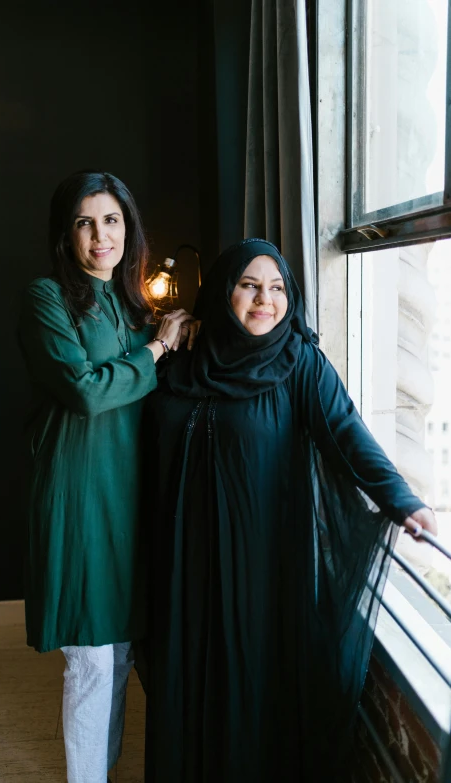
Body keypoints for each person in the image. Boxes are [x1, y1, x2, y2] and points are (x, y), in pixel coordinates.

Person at [143, 238, 437, 783]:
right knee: (187, 680)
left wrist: (403, 499)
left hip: (263, 564)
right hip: (185, 560)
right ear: (224, 291)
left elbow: (348, 432)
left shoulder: (298, 361)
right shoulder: (183, 359)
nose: (265, 300)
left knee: (252, 687)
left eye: (277, 288)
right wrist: (160, 344)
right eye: (250, 285)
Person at [18, 170, 195, 783]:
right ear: (65, 232)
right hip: (79, 493)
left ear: (130, 228)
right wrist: (154, 350)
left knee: (118, 655)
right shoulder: (47, 298)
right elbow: (85, 392)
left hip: (130, 496)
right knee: (91, 658)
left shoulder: (131, 303)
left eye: (112, 220)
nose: (101, 235)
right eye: (85, 221)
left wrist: (165, 336)